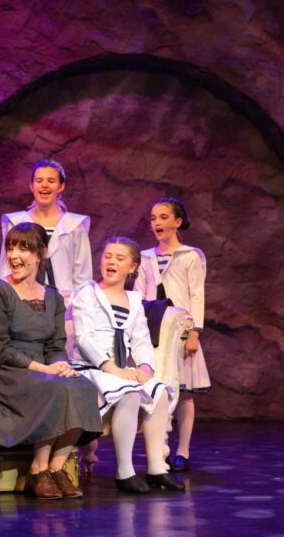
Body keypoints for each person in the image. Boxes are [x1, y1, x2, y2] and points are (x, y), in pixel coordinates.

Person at [0, 223, 102, 500]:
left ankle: (57, 467)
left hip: (44, 367)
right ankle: (38, 469)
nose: (14, 255)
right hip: (6, 371)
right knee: (53, 387)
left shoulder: (52, 297)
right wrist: (44, 369)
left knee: (83, 388)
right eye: (11, 247)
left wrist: (61, 364)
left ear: (41, 254)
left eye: (23, 248)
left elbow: (55, 345)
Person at [71, 237, 184, 493]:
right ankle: (125, 471)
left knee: (159, 390)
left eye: (119, 258)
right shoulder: (87, 293)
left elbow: (142, 340)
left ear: (132, 267)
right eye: (108, 256)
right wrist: (112, 369)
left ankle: (156, 468)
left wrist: (144, 369)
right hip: (91, 368)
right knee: (129, 393)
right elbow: (84, 338)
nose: (111, 261)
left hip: (119, 370)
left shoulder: (134, 300)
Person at [134, 197, 210, 472]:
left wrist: (194, 333)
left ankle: (183, 451)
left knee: (184, 392)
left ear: (177, 222)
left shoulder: (191, 256)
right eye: (153, 218)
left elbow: (196, 296)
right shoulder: (145, 257)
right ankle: (158, 451)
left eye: (163, 217)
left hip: (181, 333)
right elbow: (139, 294)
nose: (157, 223)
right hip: (154, 332)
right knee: (157, 391)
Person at [0, 159, 92, 347]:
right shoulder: (16, 223)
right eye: (39, 180)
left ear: (61, 186)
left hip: (63, 309)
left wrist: (75, 310)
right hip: (23, 305)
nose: (45, 185)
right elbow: (5, 269)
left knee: (58, 365)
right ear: (31, 186)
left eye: (51, 180)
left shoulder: (74, 226)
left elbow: (83, 277)